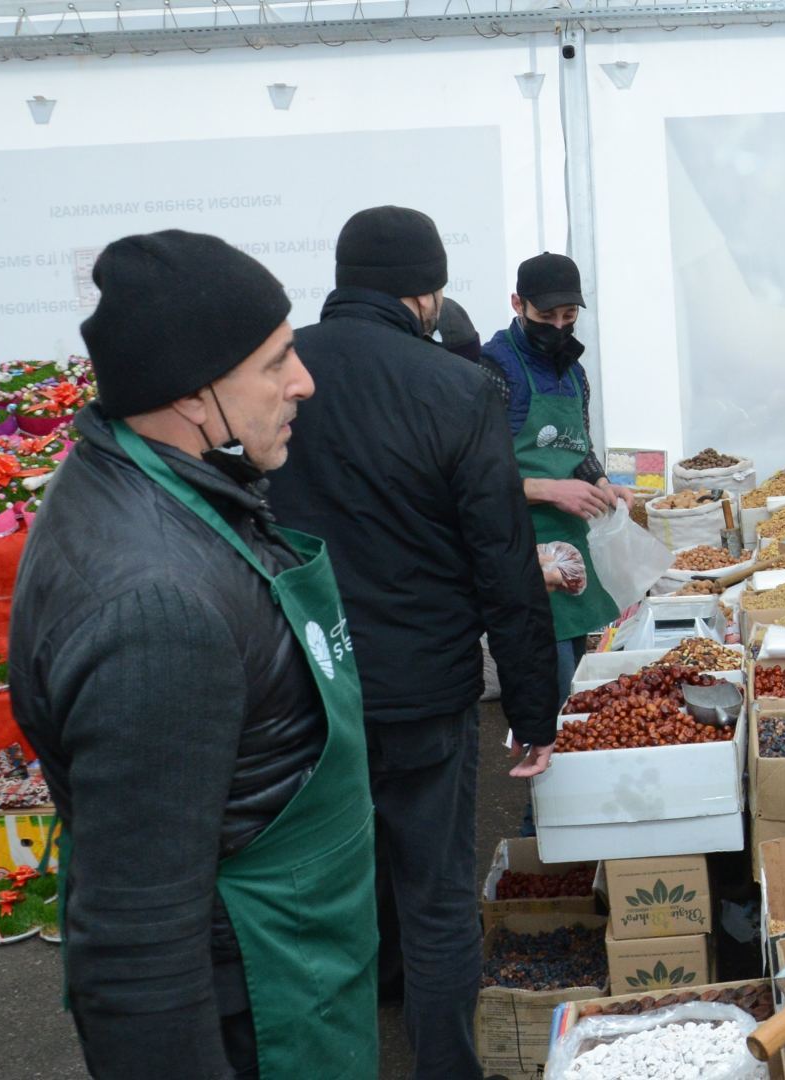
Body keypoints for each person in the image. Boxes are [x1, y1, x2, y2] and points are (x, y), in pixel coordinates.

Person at [9, 230, 377, 1078]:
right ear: (192, 391)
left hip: (300, 959)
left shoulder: (165, 482)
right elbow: (134, 944)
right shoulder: (156, 607)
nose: (304, 381)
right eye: (277, 361)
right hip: (258, 1005)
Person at [263, 206, 559, 1079]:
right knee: (435, 895)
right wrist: (535, 709)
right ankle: (446, 1066)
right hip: (426, 685)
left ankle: (345, 1045)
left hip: (307, 683)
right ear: (424, 293)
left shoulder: (279, 374)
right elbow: (503, 561)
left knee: (327, 893)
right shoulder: (457, 389)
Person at [481, 252, 633, 699]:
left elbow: (579, 449)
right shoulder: (493, 371)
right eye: (546, 315)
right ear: (517, 304)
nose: (559, 327)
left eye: (569, 316)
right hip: (520, 543)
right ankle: (545, 763)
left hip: (571, 542)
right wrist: (550, 490)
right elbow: (475, 475)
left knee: (577, 679)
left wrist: (601, 484)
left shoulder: (574, 373)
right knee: (548, 683)